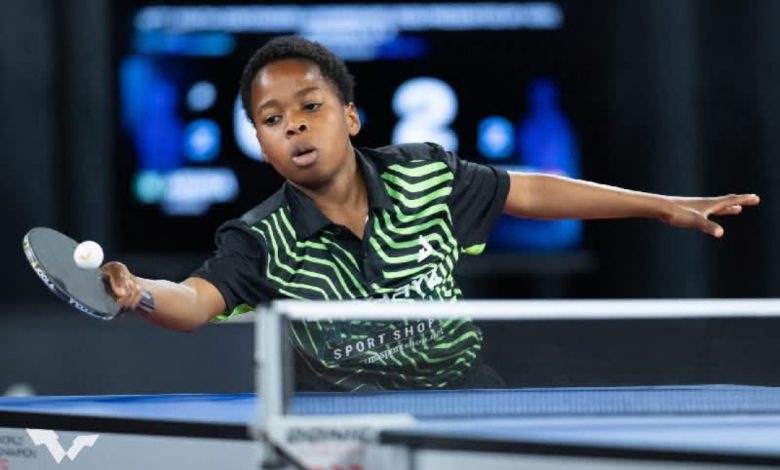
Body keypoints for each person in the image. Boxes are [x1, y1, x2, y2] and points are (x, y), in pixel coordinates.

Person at [103, 36, 760, 392]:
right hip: (346, 426)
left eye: (311, 107)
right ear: (259, 141)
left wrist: (660, 206)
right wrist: (140, 294)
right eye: (272, 120)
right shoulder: (260, 237)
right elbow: (194, 301)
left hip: (469, 397)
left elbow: (531, 192)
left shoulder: (423, 173)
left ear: (350, 116)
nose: (294, 126)